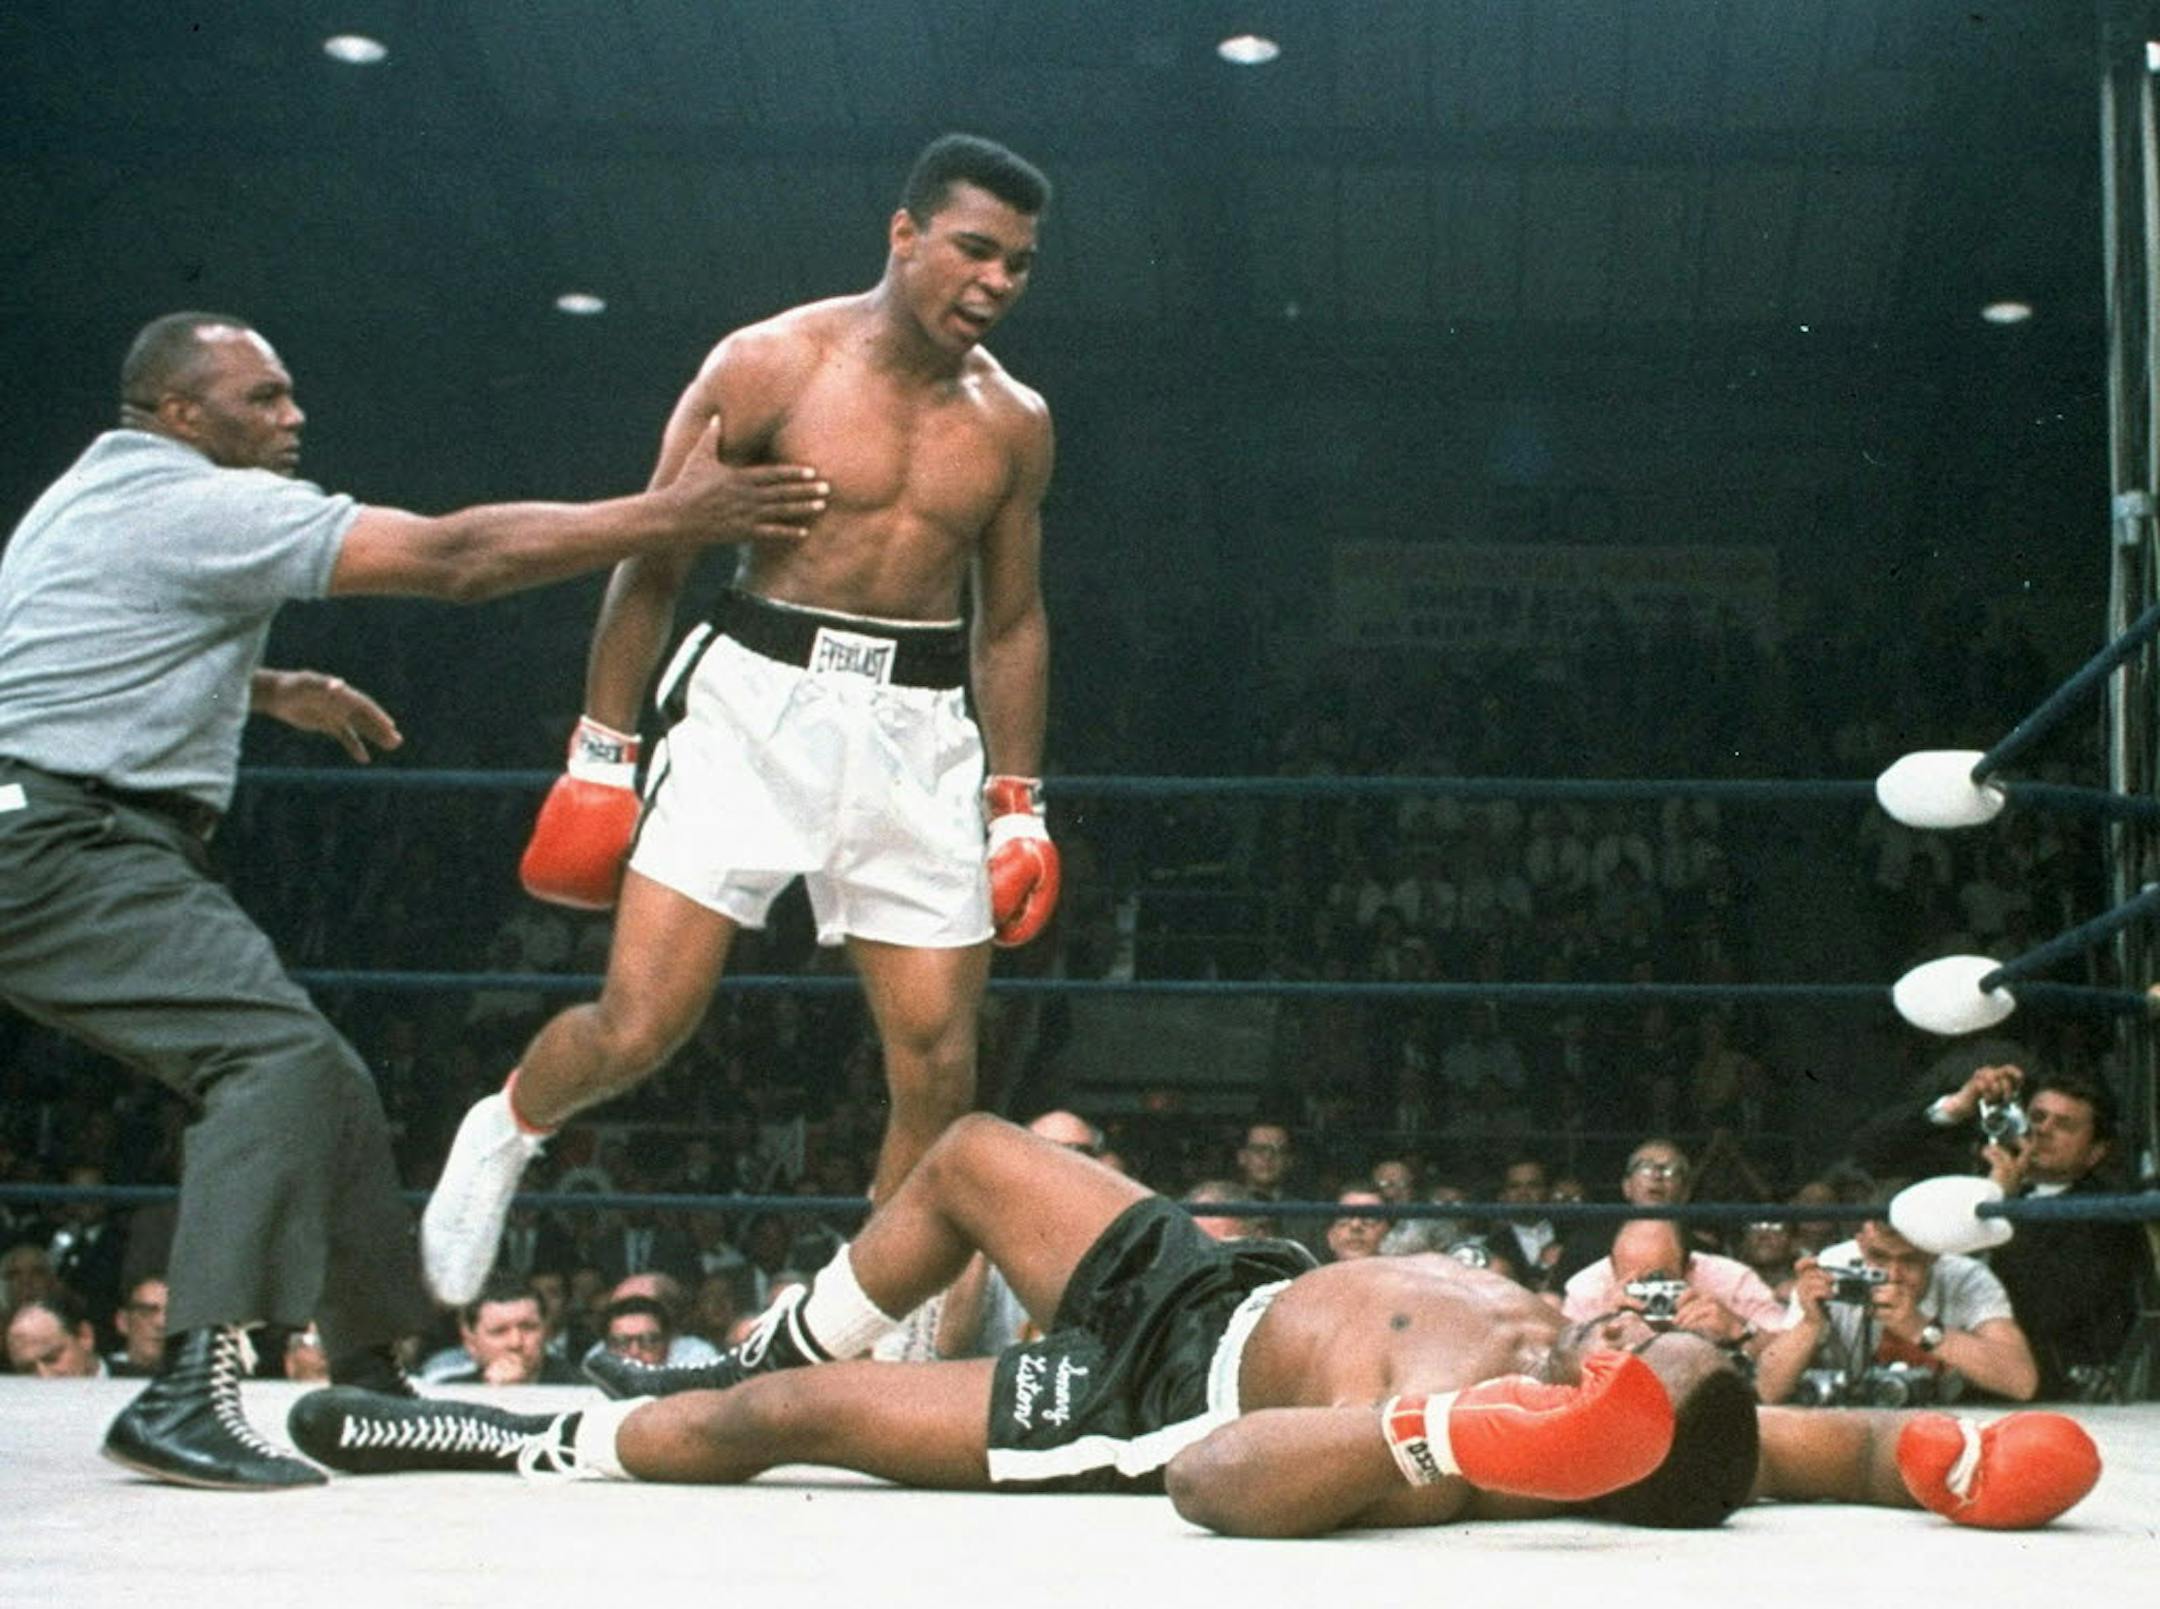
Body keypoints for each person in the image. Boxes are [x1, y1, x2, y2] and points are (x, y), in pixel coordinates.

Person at [0, 309, 826, 1489]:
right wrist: (671, 518)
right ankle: (187, 1384)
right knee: (273, 1062)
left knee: (323, 1074)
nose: (294, 418)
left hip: (59, 824)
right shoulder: (202, 503)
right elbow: (454, 559)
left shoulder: (98, 489)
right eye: (264, 399)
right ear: (182, 413)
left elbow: (77, 647)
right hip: (68, 840)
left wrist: (268, 686)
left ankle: (375, 1385)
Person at [290, 1115, 2103, 1537]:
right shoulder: (1677, 1402)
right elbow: (1865, 1443)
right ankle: (770, 1322)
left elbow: (1221, 1483)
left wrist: (1465, 1438)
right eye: (1657, 1335)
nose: (1634, 1322)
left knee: (780, 1428)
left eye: (1653, 1351)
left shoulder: (1520, 1427)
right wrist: (1959, 1458)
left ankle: (476, 1423)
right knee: (979, 1150)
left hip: (1162, 1379)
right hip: (1227, 1274)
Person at [422, 131, 1061, 1310]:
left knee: (937, 1064)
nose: (996, 283)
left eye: (1019, 265)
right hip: (753, 705)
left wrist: (1017, 801)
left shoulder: (1014, 419)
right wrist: (603, 751)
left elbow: (1009, 622)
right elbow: (651, 558)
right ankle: (507, 1127)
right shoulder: (771, 364)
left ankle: (880, 1322)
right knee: (641, 1022)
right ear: (904, 232)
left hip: (921, 726)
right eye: (975, 249)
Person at [1857, 1062, 2142, 1400]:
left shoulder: (2108, 1214)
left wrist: (2000, 1206)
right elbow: (1869, 1151)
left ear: (2095, 1152)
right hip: (1915, 1370)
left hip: (2028, 1388)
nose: (2043, 1130)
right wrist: (1956, 1107)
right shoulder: (1976, 1168)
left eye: (2063, 1124)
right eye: (2036, 1117)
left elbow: (2042, 1310)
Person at [1752, 1206, 2039, 1407]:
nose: (1893, 1274)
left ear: (1934, 1253)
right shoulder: (1834, 1266)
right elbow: (1768, 1389)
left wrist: (1919, 1328)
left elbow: (2021, 1382)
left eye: (1910, 1260)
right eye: (1879, 1257)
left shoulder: (1966, 1277)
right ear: (1861, 1244)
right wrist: (1810, 1325)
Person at [1561, 1220, 1790, 1358]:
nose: (1652, 1292)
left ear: (1689, 1267)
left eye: (1660, 1279)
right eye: (1636, 1284)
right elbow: (1559, 1369)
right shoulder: (1587, 1288)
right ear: (1611, 1267)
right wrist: (1603, 1329)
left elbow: (1789, 1351)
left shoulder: (1732, 1280)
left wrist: (1738, 1330)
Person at [433, 1278, 585, 1386]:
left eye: (528, 1327)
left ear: (545, 1331)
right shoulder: (450, 1393)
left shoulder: (583, 1388)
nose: (516, 1342)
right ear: (470, 1342)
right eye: (499, 1331)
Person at [6, 1291, 105, 1377]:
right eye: (27, 1369)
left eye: (51, 1358)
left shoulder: (120, 1379)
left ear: (85, 1336)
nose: (45, 1376)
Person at [107, 1273, 169, 1378]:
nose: (161, 1323)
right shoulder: (101, 1378)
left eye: (170, 1312)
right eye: (147, 1311)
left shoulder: (196, 1376)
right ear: (123, 1321)